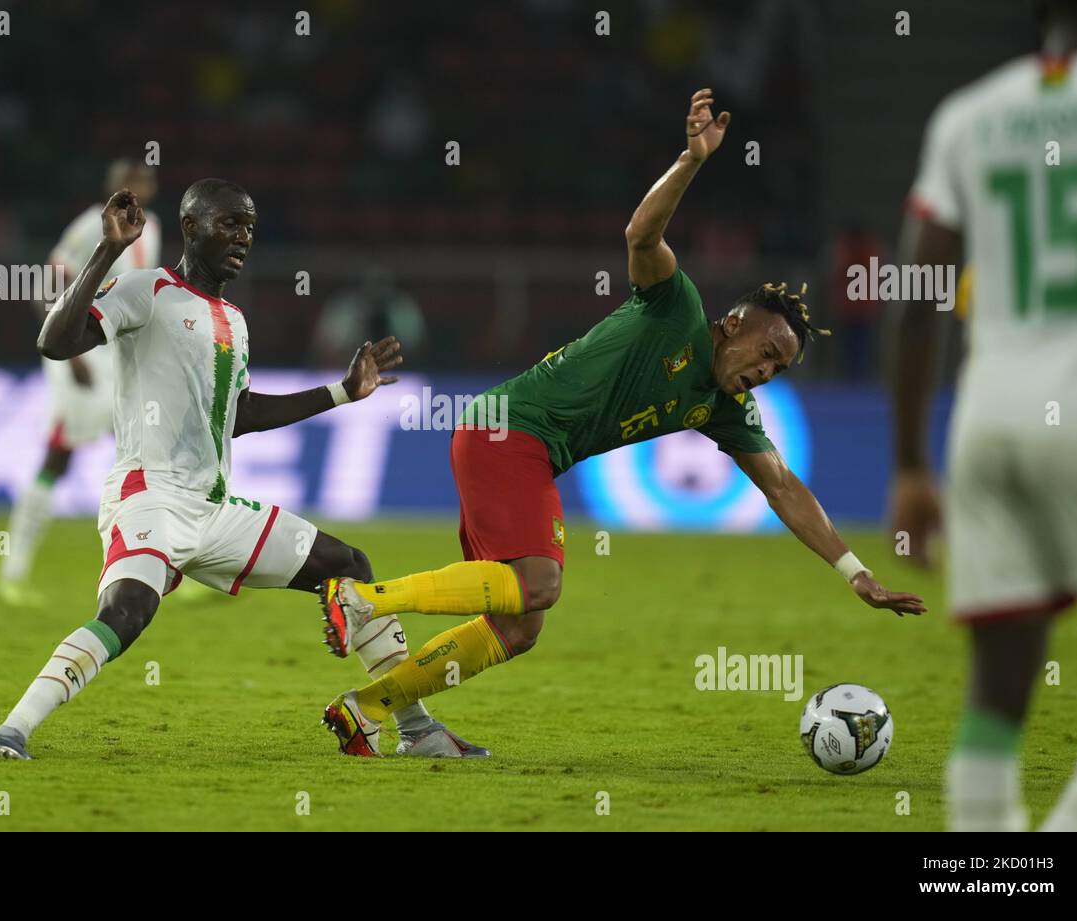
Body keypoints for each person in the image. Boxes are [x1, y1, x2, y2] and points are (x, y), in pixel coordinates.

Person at [318, 90, 925, 757]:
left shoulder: (724, 406)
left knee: (520, 625)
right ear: (734, 325)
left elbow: (783, 486)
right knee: (541, 581)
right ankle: (366, 598)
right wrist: (691, 160)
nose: (766, 373)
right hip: (508, 430)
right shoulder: (676, 308)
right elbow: (642, 236)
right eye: (768, 354)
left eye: (779, 370)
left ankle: (374, 709)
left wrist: (855, 573)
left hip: (522, 449)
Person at [0, 178, 486, 760]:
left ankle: (415, 730)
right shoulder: (146, 290)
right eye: (229, 224)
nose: (243, 238)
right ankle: (10, 731)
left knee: (349, 567)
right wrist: (109, 249)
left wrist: (340, 392)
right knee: (127, 613)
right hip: (150, 500)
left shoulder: (233, 321)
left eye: (250, 227)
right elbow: (55, 341)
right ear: (190, 227)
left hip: (213, 511)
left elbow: (238, 414)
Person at [888, 0, 1077, 831]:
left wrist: (910, 462)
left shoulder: (970, 115)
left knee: (999, 688)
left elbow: (915, 300)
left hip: (984, 425)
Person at [0, 159, 161, 605]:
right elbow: (48, 283)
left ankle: (163, 568)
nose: (140, 189)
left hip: (120, 353)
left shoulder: (155, 228)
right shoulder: (92, 225)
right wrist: (71, 356)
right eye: (131, 182)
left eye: (146, 181)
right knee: (60, 455)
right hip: (81, 350)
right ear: (113, 188)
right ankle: (13, 569)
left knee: (147, 453)